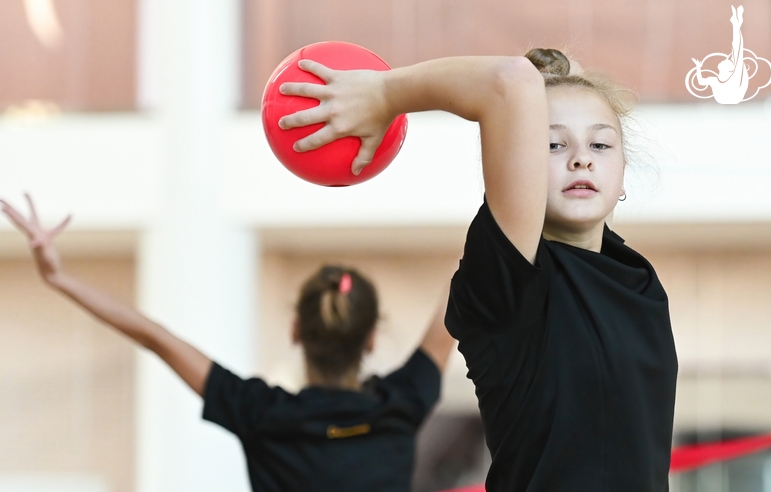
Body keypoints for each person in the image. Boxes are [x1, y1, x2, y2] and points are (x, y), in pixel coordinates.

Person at [277, 48, 678, 491]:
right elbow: (508, 81)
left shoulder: (633, 277)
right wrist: (385, 94)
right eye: (552, 144)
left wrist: (561, 80)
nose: (581, 159)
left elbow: (548, 85)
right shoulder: (509, 282)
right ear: (521, 163)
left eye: (601, 145)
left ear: (622, 171)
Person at [0, 194, 455, 492]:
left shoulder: (260, 412)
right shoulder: (402, 402)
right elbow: (463, 301)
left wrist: (59, 277)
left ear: (296, 331)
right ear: (372, 337)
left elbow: (154, 337)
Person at [692, 5, 749, 104]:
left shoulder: (734, 77)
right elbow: (701, 82)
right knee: (736, 50)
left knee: (737, 50)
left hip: (732, 98)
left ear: (729, 69)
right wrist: (698, 67)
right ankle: (736, 23)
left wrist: (736, 25)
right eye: (727, 60)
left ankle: (736, 23)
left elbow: (737, 49)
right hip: (727, 99)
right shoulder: (716, 80)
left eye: (727, 61)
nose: (724, 59)